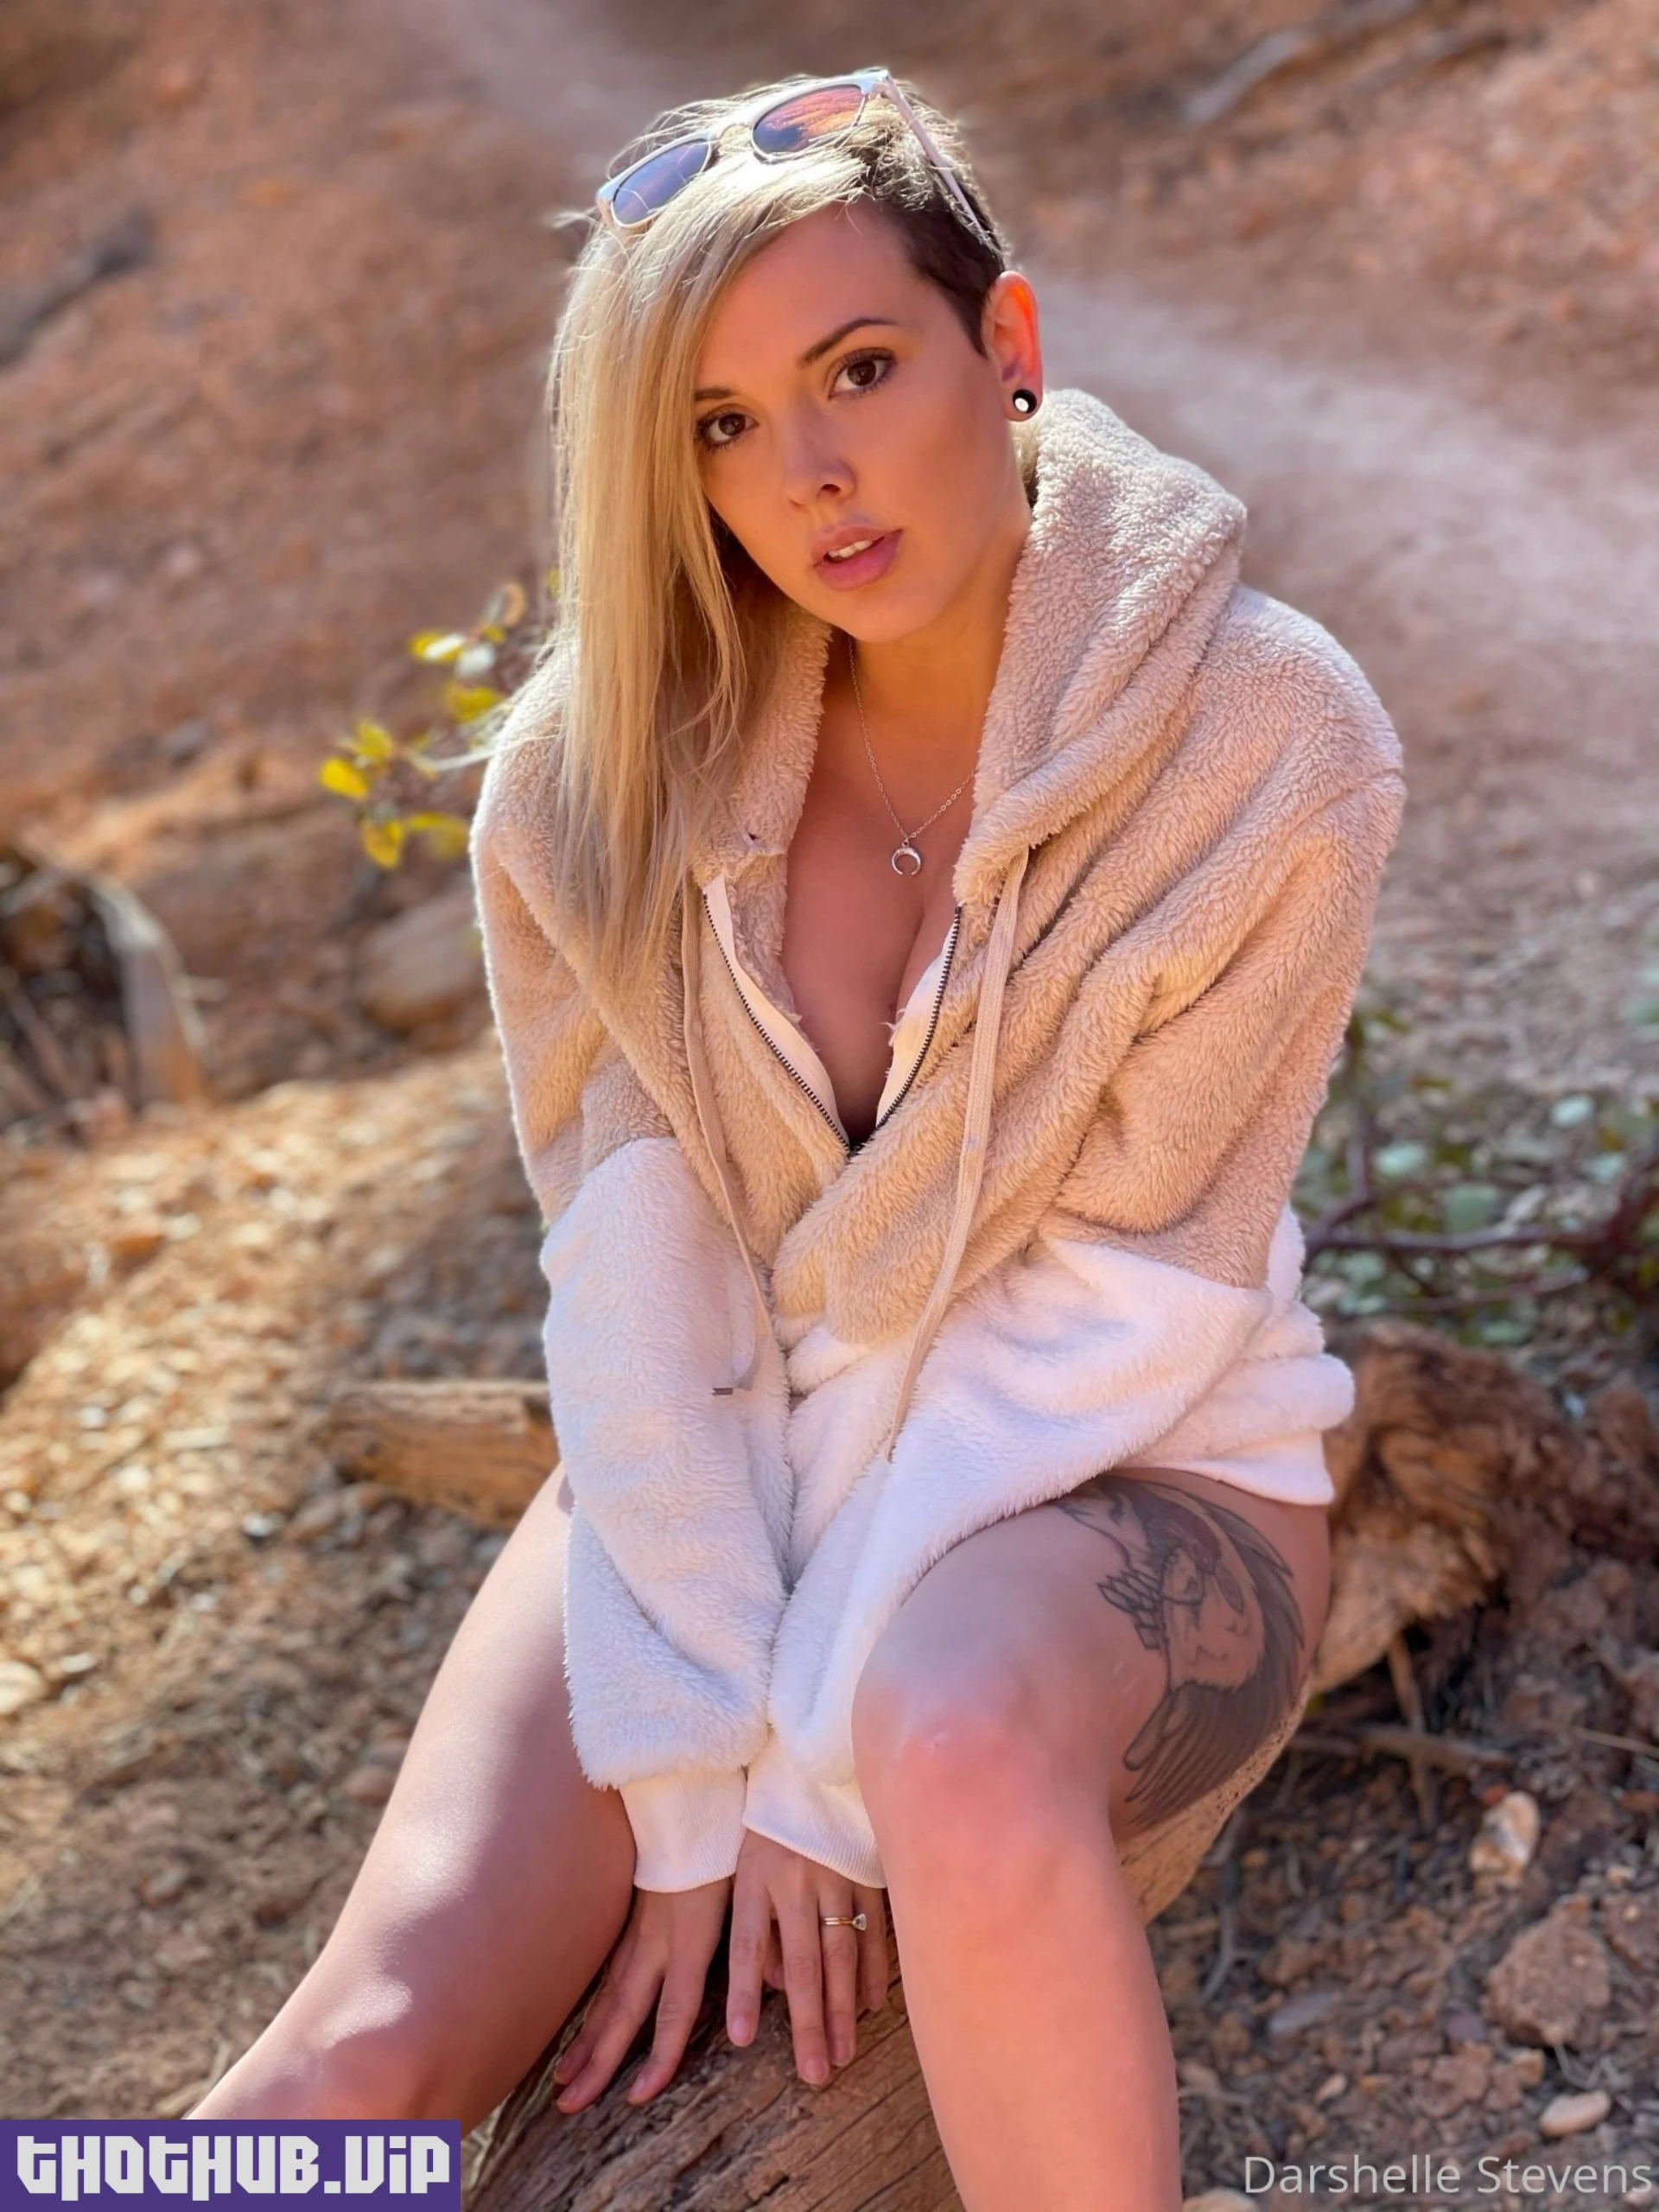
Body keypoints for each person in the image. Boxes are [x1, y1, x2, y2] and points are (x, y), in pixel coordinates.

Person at [194, 67, 1405, 2211]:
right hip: (725, 1453)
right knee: (355, 2052)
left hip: (1118, 1461)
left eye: (858, 368)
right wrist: (685, 1774)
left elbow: (1111, 1310)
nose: (809, 474)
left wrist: (802, 1776)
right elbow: (638, 1265)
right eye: (722, 424)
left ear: (1006, 343)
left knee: (950, 1741)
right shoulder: (597, 778)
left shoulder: (1267, 736)